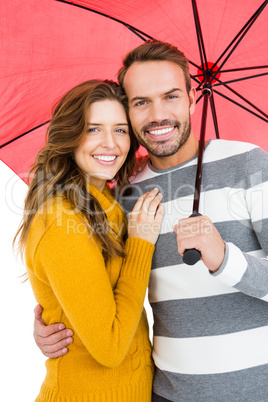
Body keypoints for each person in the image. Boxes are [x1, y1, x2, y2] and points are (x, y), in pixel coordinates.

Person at [33, 41, 268, 401]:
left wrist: (225, 259)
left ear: (192, 98)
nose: (157, 114)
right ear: (128, 110)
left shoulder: (248, 163)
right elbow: (101, 289)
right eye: (141, 102)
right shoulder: (122, 193)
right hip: (168, 394)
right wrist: (55, 324)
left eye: (170, 96)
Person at [14, 79, 164, 401]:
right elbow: (109, 347)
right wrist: (141, 243)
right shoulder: (60, 218)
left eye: (120, 130)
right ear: (70, 135)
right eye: (93, 129)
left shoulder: (107, 202)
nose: (110, 144)